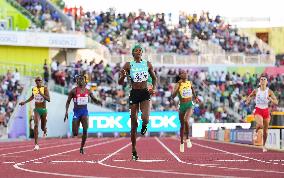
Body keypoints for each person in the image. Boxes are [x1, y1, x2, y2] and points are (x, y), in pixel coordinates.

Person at [118, 44, 157, 160]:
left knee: (145, 118)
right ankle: (134, 150)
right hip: (134, 93)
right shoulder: (128, 65)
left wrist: (153, 88)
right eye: (136, 50)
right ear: (133, 53)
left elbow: (154, 78)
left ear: (142, 53)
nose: (139, 52)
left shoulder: (148, 64)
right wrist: (123, 76)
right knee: (133, 124)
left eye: (140, 50)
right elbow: (120, 82)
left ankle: (144, 125)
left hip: (145, 92)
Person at [64, 74, 101, 154]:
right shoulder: (73, 91)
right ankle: (80, 134)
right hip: (76, 112)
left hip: (84, 112)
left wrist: (98, 101)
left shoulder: (88, 91)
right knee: (75, 133)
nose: (80, 81)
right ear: (77, 81)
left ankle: (82, 147)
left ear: (85, 81)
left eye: (82, 79)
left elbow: (94, 99)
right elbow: (68, 102)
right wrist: (66, 112)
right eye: (79, 79)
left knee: (85, 130)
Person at [245, 75, 278, 152]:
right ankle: (255, 132)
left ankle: (264, 146)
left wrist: (270, 99)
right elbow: (250, 96)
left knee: (266, 132)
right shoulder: (256, 90)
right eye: (261, 79)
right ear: (260, 82)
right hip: (258, 110)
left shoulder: (269, 91)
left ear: (266, 82)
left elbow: (276, 102)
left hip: (266, 111)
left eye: (264, 79)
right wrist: (248, 101)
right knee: (260, 125)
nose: (262, 80)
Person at [172, 70, 200, 152]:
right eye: (183, 73)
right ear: (180, 76)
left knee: (186, 120)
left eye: (186, 73)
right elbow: (173, 96)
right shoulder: (177, 84)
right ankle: (181, 142)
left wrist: (196, 97)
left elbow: (193, 90)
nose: (186, 74)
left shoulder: (189, 82)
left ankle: (187, 138)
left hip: (189, 105)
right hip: (182, 106)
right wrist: (178, 88)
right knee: (182, 126)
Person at [20, 77, 50, 151]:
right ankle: (36, 144)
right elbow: (32, 97)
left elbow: (48, 99)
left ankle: (45, 129)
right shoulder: (34, 89)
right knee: (36, 125)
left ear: (41, 81)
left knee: (42, 127)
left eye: (39, 81)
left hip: (43, 110)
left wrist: (41, 94)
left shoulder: (45, 88)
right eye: (37, 81)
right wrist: (24, 102)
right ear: (35, 82)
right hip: (36, 109)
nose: (38, 82)